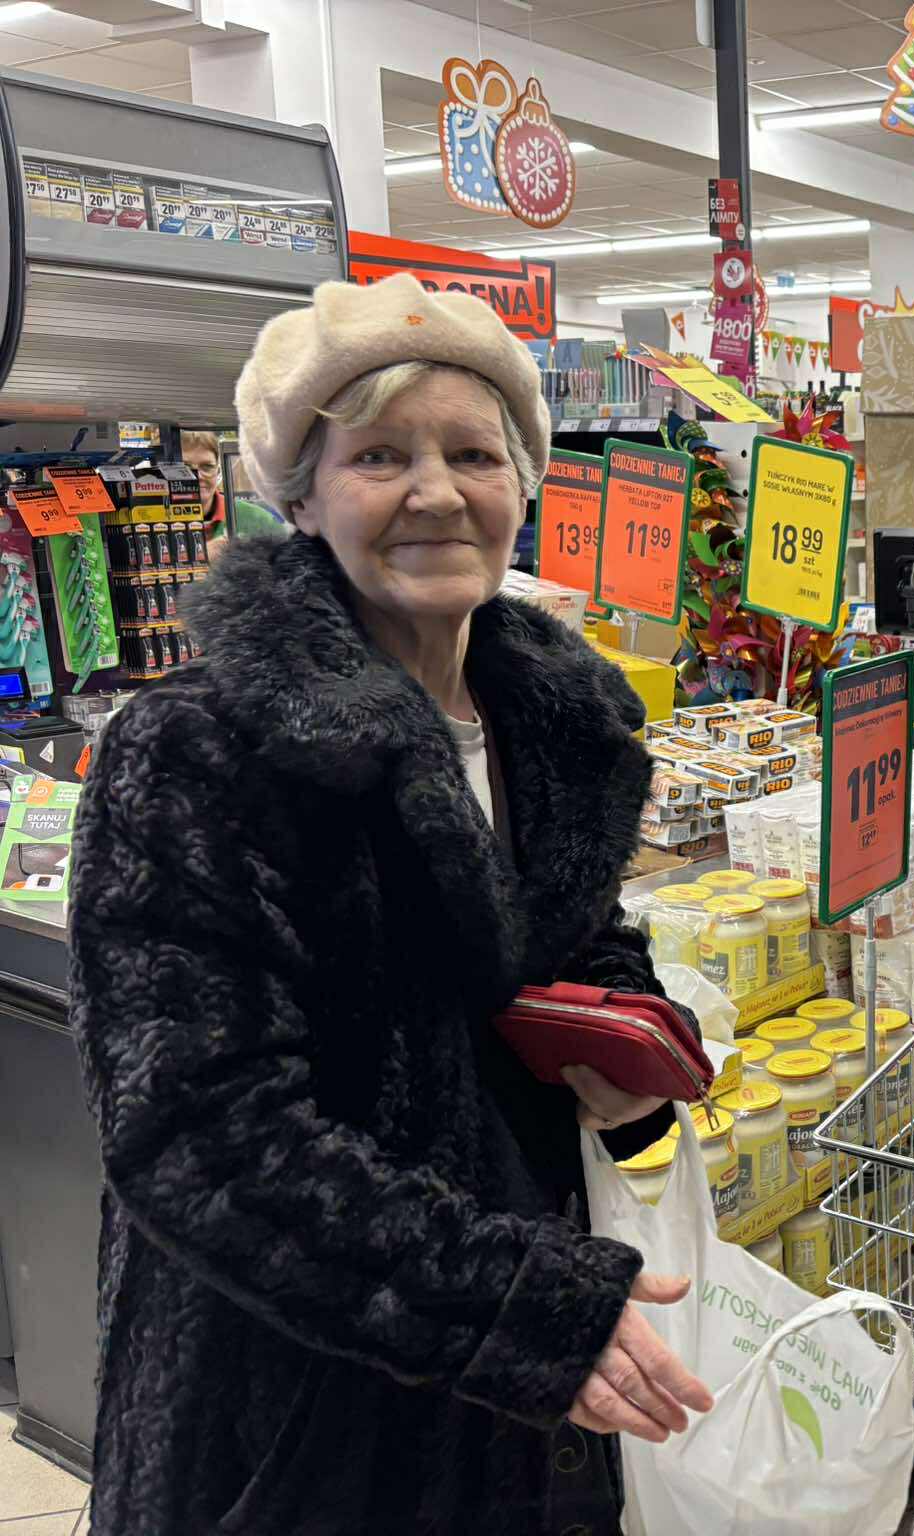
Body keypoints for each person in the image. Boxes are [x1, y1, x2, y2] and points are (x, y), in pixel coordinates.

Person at [69, 274, 712, 1535]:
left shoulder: (551, 730)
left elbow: (562, 934)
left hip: (512, 1412)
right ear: (301, 498)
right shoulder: (198, 751)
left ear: (523, 484)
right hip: (291, 1410)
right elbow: (197, 1132)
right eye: (378, 456)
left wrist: (623, 1027)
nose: (435, 493)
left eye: (473, 453)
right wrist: (511, 1306)